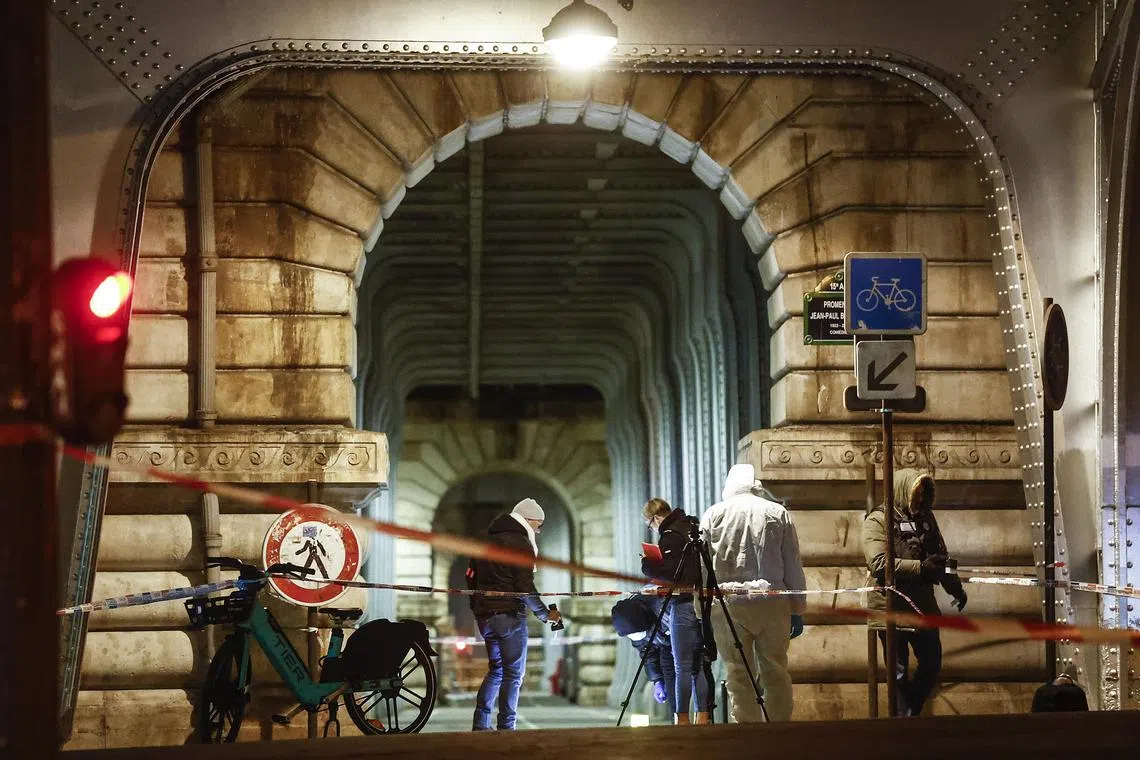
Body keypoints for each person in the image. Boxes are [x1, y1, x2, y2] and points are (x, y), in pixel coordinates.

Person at [700, 464, 807, 722]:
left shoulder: (713, 515)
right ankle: (778, 729)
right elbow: (792, 562)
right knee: (775, 669)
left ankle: (746, 732)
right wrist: (797, 607)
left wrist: (700, 610)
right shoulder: (777, 512)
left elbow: (702, 567)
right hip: (772, 601)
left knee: (738, 672)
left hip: (728, 604)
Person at [862, 468, 967, 717]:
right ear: (902, 491)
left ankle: (908, 714)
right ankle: (905, 724)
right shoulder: (878, 520)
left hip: (923, 606)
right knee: (897, 673)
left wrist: (956, 587)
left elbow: (942, 557)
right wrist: (921, 567)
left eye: (923, 494)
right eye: (916, 493)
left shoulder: (926, 518)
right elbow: (877, 562)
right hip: (891, 607)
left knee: (932, 664)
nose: (920, 499)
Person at [468, 498, 562, 731]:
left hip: (485, 616)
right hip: (510, 615)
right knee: (513, 674)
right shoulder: (520, 543)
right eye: (538, 526)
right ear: (527, 520)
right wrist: (544, 614)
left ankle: (481, 724)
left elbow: (470, 577)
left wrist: (479, 609)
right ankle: (507, 727)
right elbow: (524, 586)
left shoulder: (484, 540)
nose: (538, 532)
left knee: (497, 670)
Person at [641, 497, 711, 725]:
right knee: (698, 665)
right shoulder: (691, 527)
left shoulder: (670, 535)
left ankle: (681, 719)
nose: (653, 529)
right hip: (702, 603)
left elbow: (673, 574)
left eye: (650, 524)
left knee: (682, 665)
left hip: (682, 605)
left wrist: (648, 564)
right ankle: (702, 716)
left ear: (657, 518)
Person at [610, 593, 676, 710]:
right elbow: (647, 652)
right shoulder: (630, 623)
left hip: (678, 639)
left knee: (670, 663)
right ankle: (677, 715)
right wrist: (657, 680)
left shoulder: (660, 607)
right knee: (667, 666)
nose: (639, 636)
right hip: (665, 645)